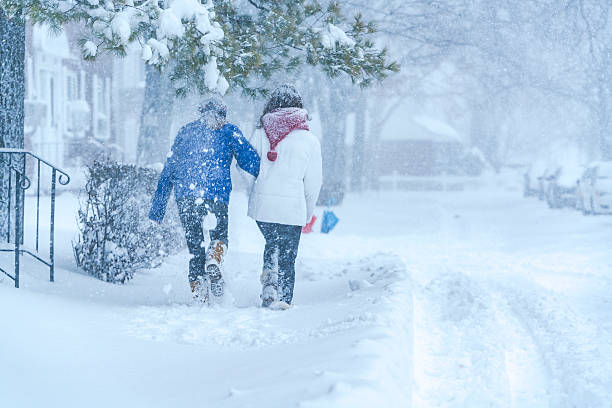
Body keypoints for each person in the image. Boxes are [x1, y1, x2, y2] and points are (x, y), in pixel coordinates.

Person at [149, 98, 260, 303]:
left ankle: (200, 295)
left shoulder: (186, 132)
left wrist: (157, 209)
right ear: (223, 115)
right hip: (216, 195)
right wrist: (269, 176)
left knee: (194, 248)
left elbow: (169, 171)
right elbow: (250, 160)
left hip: (187, 196)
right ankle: (215, 259)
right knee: (219, 236)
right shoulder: (229, 131)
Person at [243, 84, 323, 309]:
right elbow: (314, 183)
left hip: (263, 207)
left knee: (272, 242)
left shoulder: (259, 133)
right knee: (288, 254)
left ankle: (269, 285)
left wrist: (258, 184)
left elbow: (244, 166)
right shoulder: (310, 141)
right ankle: (285, 298)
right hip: (292, 208)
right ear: (298, 107)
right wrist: (307, 212)